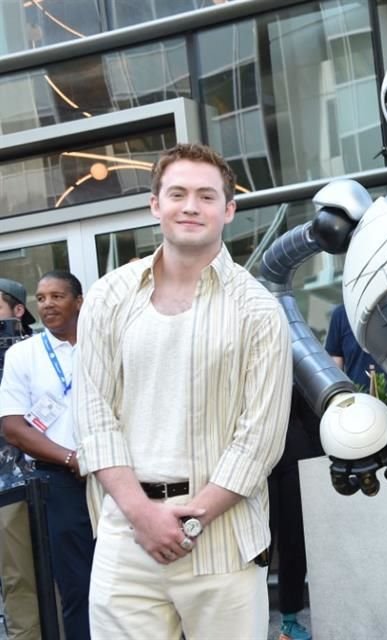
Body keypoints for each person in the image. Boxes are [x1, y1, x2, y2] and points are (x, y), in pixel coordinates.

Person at [73, 143, 292, 639]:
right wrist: (141, 515)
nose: (190, 206)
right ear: (155, 205)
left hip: (222, 542)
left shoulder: (258, 311)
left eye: (206, 196)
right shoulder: (110, 295)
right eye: (177, 193)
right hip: (125, 540)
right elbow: (93, 413)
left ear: (228, 210)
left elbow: (259, 439)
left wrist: (189, 522)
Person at [0, 271, 94, 640]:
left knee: (134, 581)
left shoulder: (103, 344)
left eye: (57, 296)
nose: (48, 304)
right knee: (77, 586)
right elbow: (14, 427)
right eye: (41, 298)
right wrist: (72, 459)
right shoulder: (25, 354)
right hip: (60, 481)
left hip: (117, 477)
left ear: (79, 301)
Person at [0, 278, 41, 640]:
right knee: (17, 578)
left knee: (63, 569)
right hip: (6, 483)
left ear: (17, 311)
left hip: (53, 474)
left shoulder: (41, 351)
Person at [268, 389, 320, 640]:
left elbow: (309, 408)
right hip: (251, 455)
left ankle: (289, 621)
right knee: (258, 543)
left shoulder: (293, 351)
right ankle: (252, 617)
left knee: (294, 539)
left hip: (294, 454)